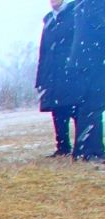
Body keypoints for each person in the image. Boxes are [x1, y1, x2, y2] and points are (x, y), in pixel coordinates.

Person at [37, 0, 76, 157]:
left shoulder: (74, 14)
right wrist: (40, 80)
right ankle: (63, 147)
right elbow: (43, 52)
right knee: (58, 111)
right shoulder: (48, 20)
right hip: (52, 74)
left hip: (70, 71)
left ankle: (82, 146)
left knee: (75, 109)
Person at [67, 0, 105, 161]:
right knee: (93, 107)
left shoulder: (79, 3)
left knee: (86, 108)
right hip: (92, 60)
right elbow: (100, 24)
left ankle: (82, 150)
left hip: (82, 60)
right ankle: (93, 151)